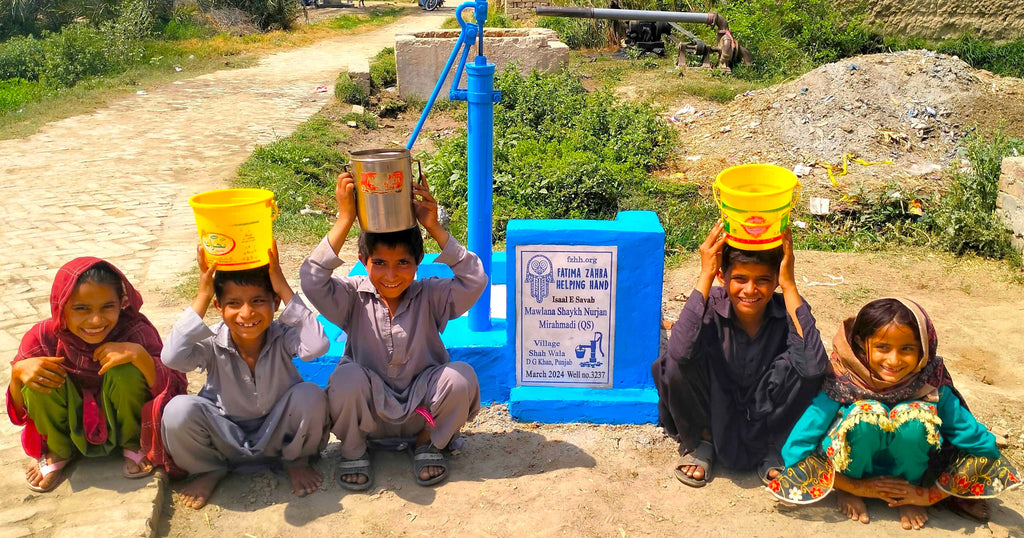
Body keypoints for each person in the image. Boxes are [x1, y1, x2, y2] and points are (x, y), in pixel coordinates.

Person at [300, 171, 487, 491]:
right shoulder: (352, 296)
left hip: (421, 412)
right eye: (379, 263)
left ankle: (427, 443)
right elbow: (312, 280)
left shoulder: (430, 295)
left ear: (418, 263)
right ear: (363, 261)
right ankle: (354, 450)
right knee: (345, 378)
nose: (391, 275)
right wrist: (346, 218)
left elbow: (475, 280)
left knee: (461, 377)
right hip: (369, 414)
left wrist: (434, 227)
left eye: (402, 263)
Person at [766, 298, 1020, 530]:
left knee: (916, 419)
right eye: (882, 347)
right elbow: (797, 448)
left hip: (915, 480)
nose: (893, 360)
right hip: (850, 474)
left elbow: (983, 447)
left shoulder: (931, 386)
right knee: (865, 415)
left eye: (907, 349)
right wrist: (852, 485)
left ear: (924, 349)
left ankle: (906, 493)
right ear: (861, 346)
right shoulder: (843, 381)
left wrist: (927, 494)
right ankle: (854, 490)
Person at [652, 223, 828, 487]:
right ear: (724, 277)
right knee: (673, 363)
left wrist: (789, 285)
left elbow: (814, 367)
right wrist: (706, 275)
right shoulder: (709, 305)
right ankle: (702, 440)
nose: (750, 290)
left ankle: (775, 445)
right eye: (740, 279)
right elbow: (678, 353)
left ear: (776, 282)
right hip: (714, 405)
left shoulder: (787, 309)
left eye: (763, 280)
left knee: (807, 359)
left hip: (765, 410)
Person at [161, 244, 330, 509]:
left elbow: (317, 345)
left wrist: (282, 285)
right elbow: (172, 357)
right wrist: (202, 295)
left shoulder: (283, 335)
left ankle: (296, 461)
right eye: (234, 303)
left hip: (279, 436)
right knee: (177, 410)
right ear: (218, 306)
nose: (247, 313)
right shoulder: (211, 341)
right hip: (226, 437)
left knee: (311, 394)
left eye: (258, 301)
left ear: (275, 304)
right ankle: (209, 470)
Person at [6, 257, 187, 493]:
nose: (95, 320)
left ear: (121, 303)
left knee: (126, 369)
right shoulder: (43, 338)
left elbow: (173, 390)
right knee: (37, 374)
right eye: (81, 309)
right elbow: (19, 412)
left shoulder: (135, 331)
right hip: (67, 429)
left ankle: (133, 443)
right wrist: (17, 373)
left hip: (124, 424)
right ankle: (58, 450)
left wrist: (140, 357)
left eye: (107, 307)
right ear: (60, 307)